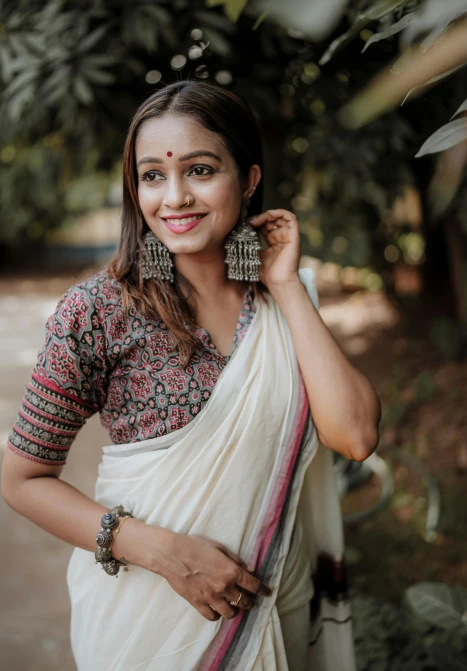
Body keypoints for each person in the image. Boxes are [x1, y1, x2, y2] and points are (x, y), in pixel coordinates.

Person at [1, 80, 381, 670]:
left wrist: (282, 285)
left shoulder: (284, 300)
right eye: (152, 176)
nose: (174, 197)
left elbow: (356, 436)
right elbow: (21, 479)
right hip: (149, 630)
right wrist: (165, 553)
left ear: (249, 179)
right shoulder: (96, 313)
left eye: (200, 170)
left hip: (279, 610)